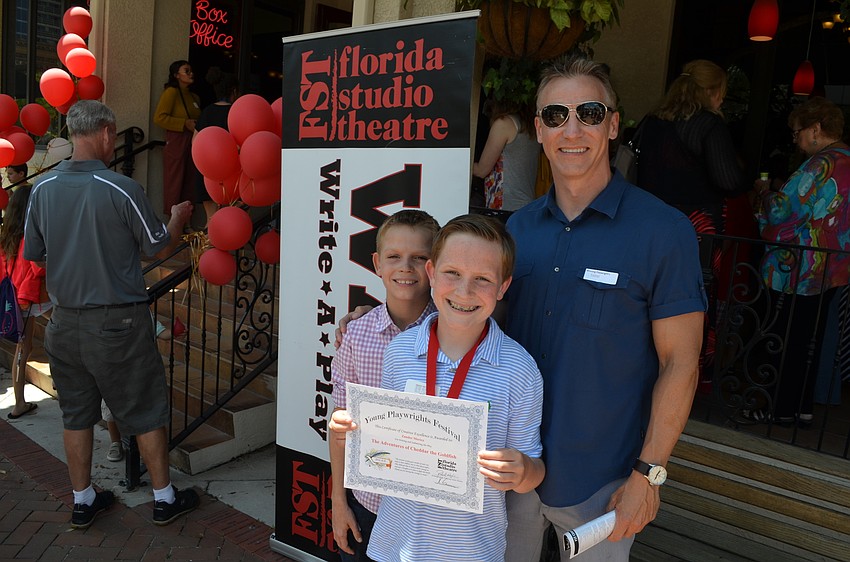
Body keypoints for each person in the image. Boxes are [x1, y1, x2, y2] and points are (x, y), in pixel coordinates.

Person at [502, 54, 705, 561]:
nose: (572, 129)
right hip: (509, 472)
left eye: (589, 113)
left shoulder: (663, 231)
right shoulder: (516, 231)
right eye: (555, 115)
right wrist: (387, 322)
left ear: (613, 125)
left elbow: (681, 362)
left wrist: (648, 474)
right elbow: (471, 325)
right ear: (539, 130)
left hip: (602, 482)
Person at [24, 100, 199, 529]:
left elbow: (34, 253)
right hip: (118, 321)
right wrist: (177, 217)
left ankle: (83, 500)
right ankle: (163, 497)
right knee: (143, 408)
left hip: (64, 322)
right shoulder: (121, 187)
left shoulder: (42, 189)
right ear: (105, 134)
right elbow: (158, 244)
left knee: (76, 414)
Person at [331, 214, 545, 562]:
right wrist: (353, 432)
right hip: (390, 545)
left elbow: (532, 472)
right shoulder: (398, 352)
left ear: (504, 286)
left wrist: (522, 470)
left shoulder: (520, 370)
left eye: (482, 279)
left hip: (469, 551)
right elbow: (382, 444)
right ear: (432, 273)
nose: (464, 291)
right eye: (452, 274)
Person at [330, 209, 440, 562]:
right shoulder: (358, 334)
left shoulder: (456, 334)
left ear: (434, 266)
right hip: (369, 504)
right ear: (377, 263)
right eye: (394, 257)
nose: (405, 267)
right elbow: (340, 421)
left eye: (419, 258)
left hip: (433, 514)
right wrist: (338, 499)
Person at [635, 59, 746, 384]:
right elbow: (728, 180)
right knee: (695, 295)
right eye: (721, 92)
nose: (722, 100)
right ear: (710, 91)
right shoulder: (708, 124)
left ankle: (647, 364)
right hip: (698, 226)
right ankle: (690, 372)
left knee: (650, 292)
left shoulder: (653, 121)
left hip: (651, 221)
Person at [751, 96, 850, 427]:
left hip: (801, 267)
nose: (795, 139)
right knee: (812, 338)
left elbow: (783, 213)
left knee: (787, 338)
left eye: (797, 132)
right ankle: (802, 406)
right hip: (835, 266)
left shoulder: (819, 165)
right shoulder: (848, 159)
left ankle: (778, 408)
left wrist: (764, 193)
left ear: (816, 129)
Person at [1, 185, 50, 420]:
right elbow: (37, 267)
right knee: (65, 327)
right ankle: (20, 403)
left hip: (16, 296)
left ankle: (18, 402)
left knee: (22, 349)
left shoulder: (7, 232)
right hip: (35, 295)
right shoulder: (32, 231)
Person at [473, 98, 541, 211]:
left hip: (505, 205)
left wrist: (459, 161)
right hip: (525, 203)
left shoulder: (503, 124)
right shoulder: (529, 126)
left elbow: (481, 170)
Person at [153, 59, 201, 217]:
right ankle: (175, 221)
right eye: (186, 71)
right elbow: (159, 118)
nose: (191, 73)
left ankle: (186, 221)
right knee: (175, 181)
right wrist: (184, 123)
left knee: (190, 180)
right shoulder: (171, 92)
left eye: (191, 70)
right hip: (176, 140)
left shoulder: (194, 97)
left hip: (192, 140)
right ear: (176, 75)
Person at [193, 67, 239, 229]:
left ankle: (207, 254)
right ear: (234, 91)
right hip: (233, 174)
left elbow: (195, 143)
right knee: (233, 221)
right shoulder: (237, 112)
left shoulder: (207, 112)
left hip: (207, 173)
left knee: (211, 222)